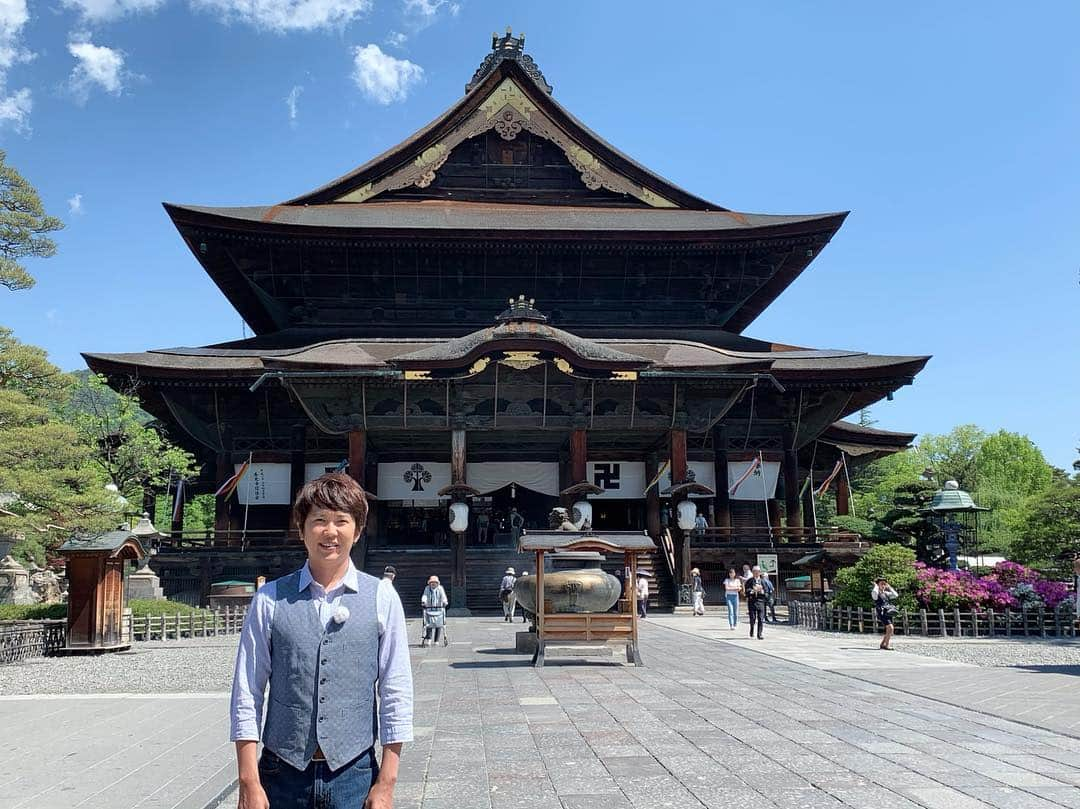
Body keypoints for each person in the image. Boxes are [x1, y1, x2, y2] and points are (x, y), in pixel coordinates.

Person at [230, 472, 412, 809]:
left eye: (342, 521)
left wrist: (386, 783)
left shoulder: (382, 598)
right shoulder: (269, 599)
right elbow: (247, 690)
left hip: (353, 771)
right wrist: (248, 780)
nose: (330, 532)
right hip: (280, 771)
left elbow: (396, 690)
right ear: (301, 528)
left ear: (357, 531)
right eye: (319, 520)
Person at [745, 565, 774, 640]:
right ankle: (752, 629)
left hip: (761, 601)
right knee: (753, 618)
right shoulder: (749, 581)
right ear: (752, 572)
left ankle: (759, 634)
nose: (756, 573)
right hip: (752, 601)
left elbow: (767, 592)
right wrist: (752, 591)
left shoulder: (763, 581)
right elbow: (746, 591)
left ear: (759, 572)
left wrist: (762, 591)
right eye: (754, 572)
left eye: (758, 572)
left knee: (761, 618)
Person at [871, 577, 899, 650]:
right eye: (881, 584)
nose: (883, 585)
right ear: (878, 585)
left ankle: (882, 644)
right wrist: (876, 586)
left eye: (884, 584)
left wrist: (889, 587)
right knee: (890, 628)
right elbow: (874, 593)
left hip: (888, 613)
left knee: (890, 629)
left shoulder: (886, 593)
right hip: (882, 613)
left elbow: (896, 595)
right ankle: (886, 645)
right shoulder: (876, 593)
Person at [421, 575, 448, 647]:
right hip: (429, 608)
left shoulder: (440, 588)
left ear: (437, 583)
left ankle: (436, 640)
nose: (433, 584)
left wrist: (444, 602)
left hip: (439, 608)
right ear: (429, 583)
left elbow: (443, 596)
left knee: (438, 624)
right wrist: (423, 601)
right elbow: (425, 596)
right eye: (431, 583)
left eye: (435, 583)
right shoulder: (427, 588)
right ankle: (429, 638)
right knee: (428, 624)